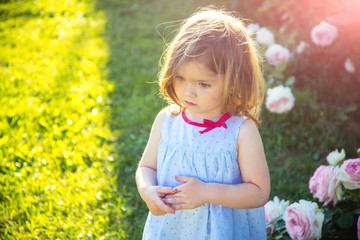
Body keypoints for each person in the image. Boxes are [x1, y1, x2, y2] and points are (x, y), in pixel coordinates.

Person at [135, 7, 270, 240]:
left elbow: (258, 193)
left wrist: (207, 192)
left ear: (234, 81)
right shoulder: (167, 120)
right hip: (172, 229)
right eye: (180, 77)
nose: (188, 92)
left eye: (203, 84)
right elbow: (147, 168)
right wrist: (148, 190)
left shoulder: (241, 131)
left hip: (223, 232)